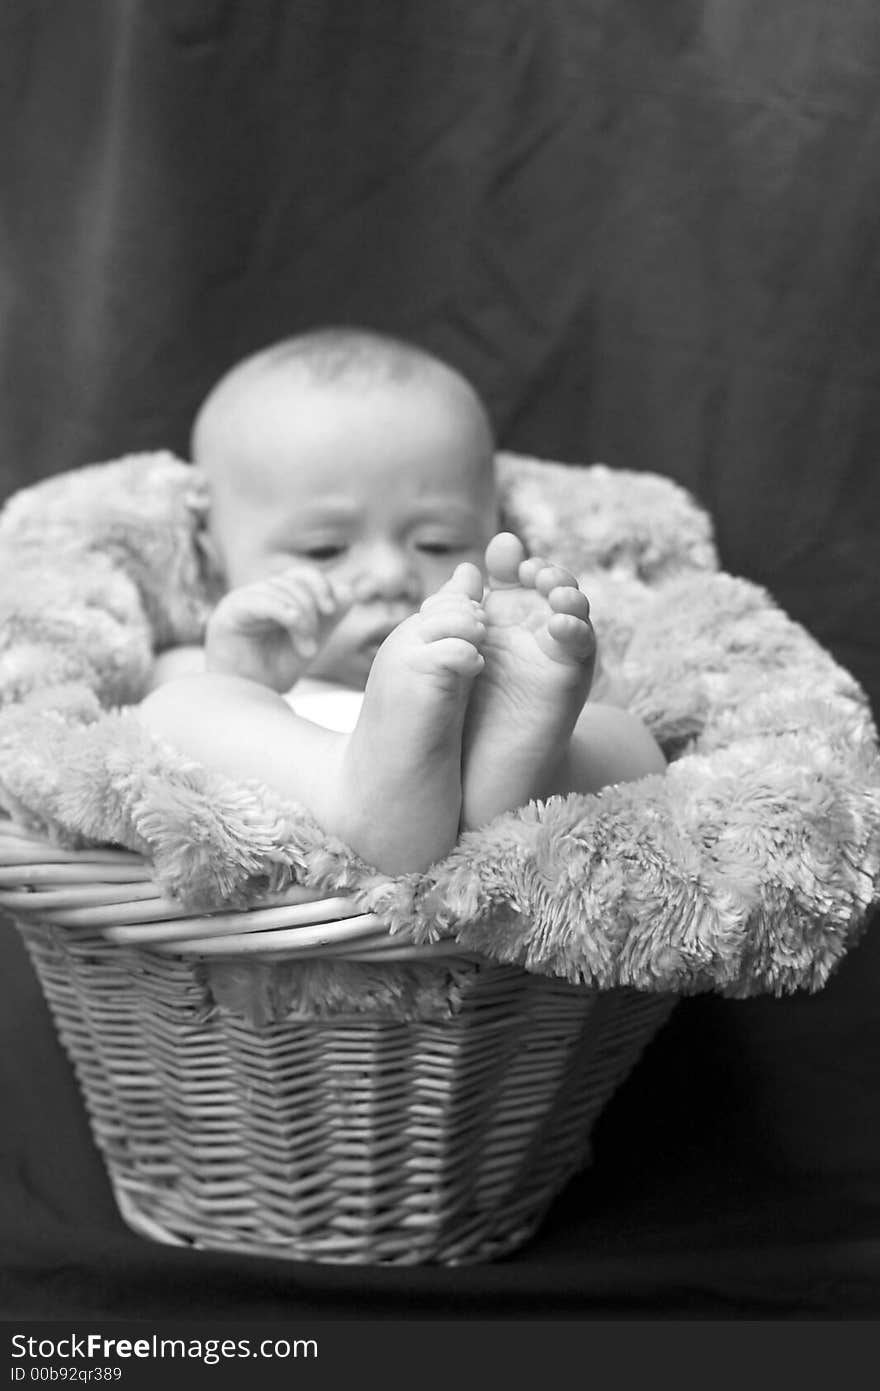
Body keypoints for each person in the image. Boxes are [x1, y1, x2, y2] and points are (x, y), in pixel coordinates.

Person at [139, 328, 666, 875]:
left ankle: (527, 781)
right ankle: (351, 791)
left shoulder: (499, 657)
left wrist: (555, 737)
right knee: (171, 710)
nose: (391, 576)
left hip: (476, 731)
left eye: (437, 543)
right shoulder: (209, 654)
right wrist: (240, 677)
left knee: (631, 738)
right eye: (325, 549)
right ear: (212, 554)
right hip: (312, 778)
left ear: (497, 525)